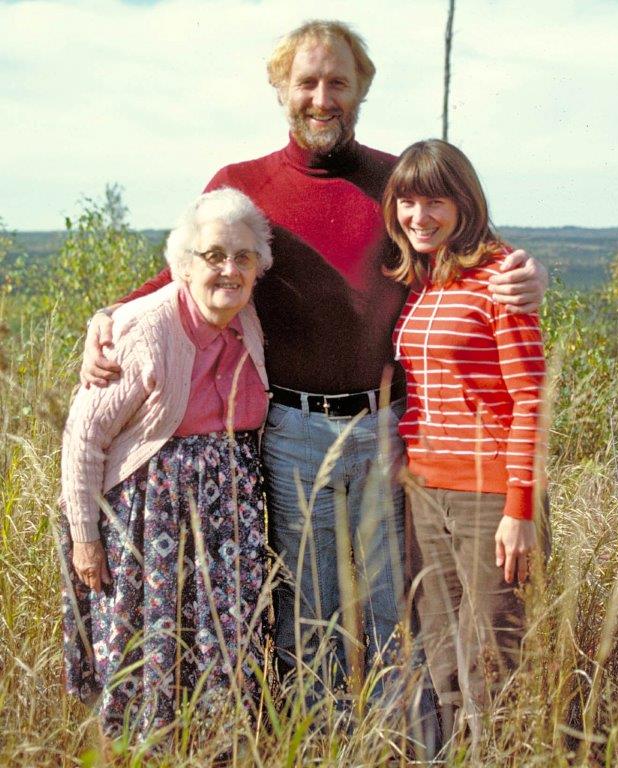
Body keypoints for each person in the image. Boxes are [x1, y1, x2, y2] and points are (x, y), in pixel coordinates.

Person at [79, 21, 548, 710]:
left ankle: (398, 746)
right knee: (310, 610)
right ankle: (322, 740)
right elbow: (181, 272)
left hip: (390, 430)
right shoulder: (242, 184)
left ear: (360, 89)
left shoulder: (397, 181)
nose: (321, 97)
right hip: (294, 432)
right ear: (281, 90)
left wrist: (528, 274)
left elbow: (472, 247)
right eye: (306, 82)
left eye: (337, 82)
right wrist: (108, 316)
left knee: (399, 608)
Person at [60, 188, 272, 745]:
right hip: (151, 519)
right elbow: (84, 437)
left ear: (258, 268)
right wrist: (85, 538)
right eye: (214, 256)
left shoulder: (246, 316)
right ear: (182, 265)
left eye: (244, 257)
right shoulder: (147, 330)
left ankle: (219, 747)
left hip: (229, 514)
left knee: (224, 644)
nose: (230, 269)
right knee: (149, 644)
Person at [382, 139, 547, 749]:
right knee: (443, 659)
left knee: (492, 665)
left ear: (464, 203)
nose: (418, 217)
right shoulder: (422, 281)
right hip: (425, 496)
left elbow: (531, 399)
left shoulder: (501, 278)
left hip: (489, 502)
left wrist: (520, 509)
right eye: (407, 202)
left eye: (434, 202)